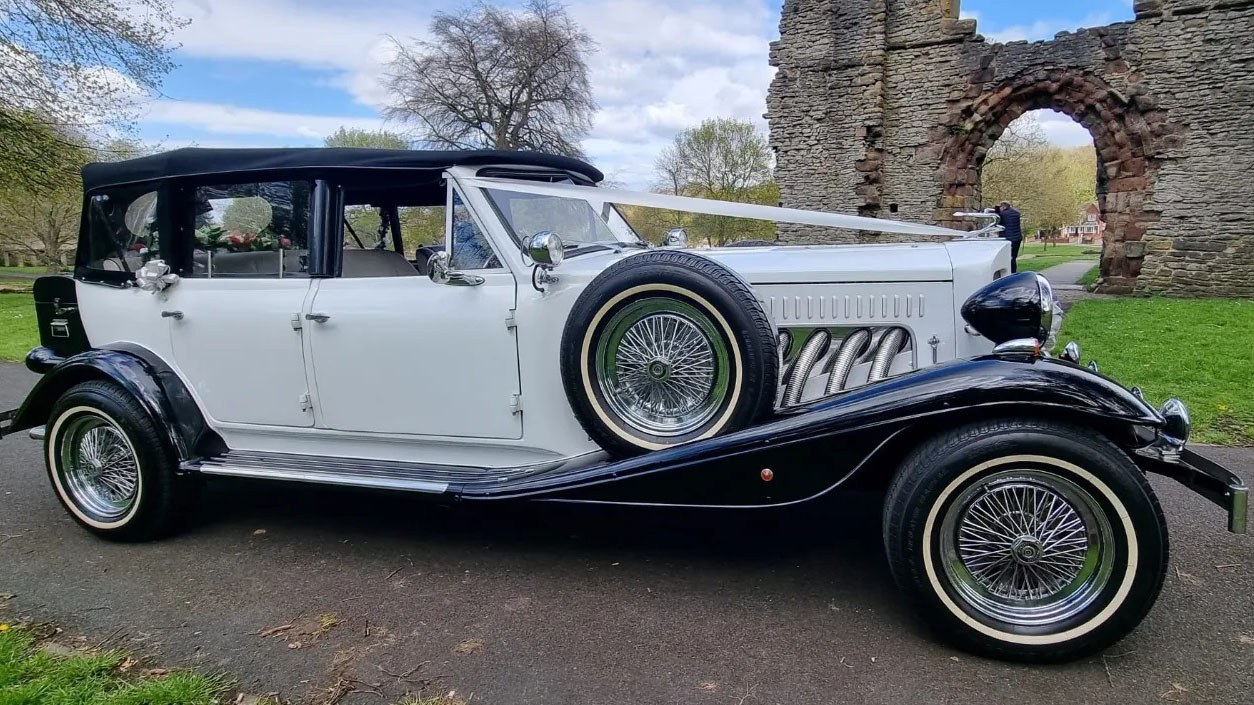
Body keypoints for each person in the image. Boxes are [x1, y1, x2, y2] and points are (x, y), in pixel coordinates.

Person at [996, 201, 1023, 273]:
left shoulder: (1002, 214)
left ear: (1003, 206)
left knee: (1005, 257)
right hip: (1017, 238)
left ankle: (1007, 272)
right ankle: (1013, 272)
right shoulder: (1016, 213)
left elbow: (998, 223)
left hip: (1007, 238)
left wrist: (997, 211)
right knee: (1013, 257)